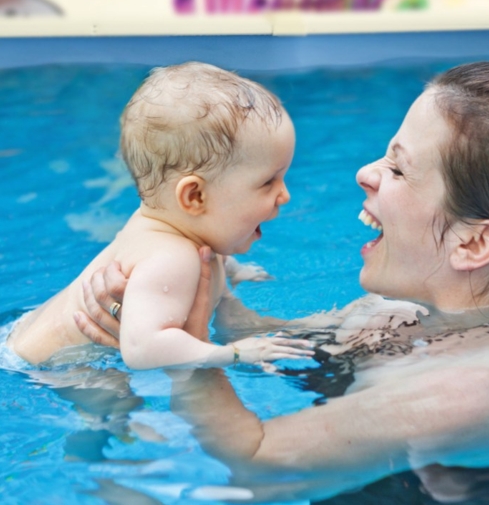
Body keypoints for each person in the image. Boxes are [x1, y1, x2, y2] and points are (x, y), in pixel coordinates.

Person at [74, 61, 489, 501]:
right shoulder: (402, 309)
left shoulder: (466, 387)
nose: (364, 172)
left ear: (473, 244)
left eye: (398, 170)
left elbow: (259, 465)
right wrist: (211, 295)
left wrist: (185, 350)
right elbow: (272, 344)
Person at [6, 61, 314, 369]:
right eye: (267, 182)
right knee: (116, 406)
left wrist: (231, 269)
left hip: (20, 337)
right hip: (51, 368)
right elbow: (142, 351)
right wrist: (235, 353)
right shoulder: (172, 259)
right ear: (194, 197)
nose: (285, 195)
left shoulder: (173, 227)